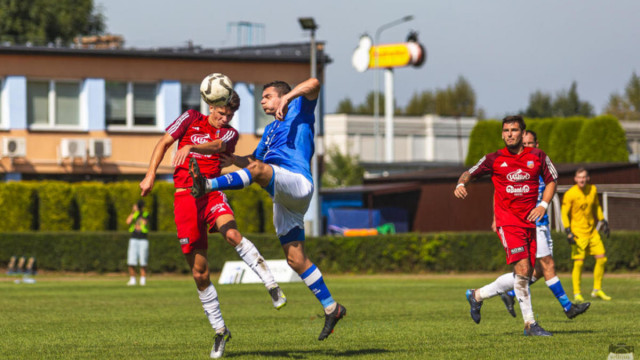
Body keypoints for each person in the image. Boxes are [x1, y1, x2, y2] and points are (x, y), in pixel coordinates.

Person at [190, 78, 347, 341]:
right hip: (282, 196)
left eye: (267, 96)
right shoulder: (270, 130)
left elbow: (315, 83)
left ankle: (206, 185)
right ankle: (333, 308)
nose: (262, 101)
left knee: (259, 171)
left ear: (282, 97)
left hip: (297, 182)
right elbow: (253, 161)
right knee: (296, 260)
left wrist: (289, 98)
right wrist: (234, 160)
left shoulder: (299, 110)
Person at [139, 89, 286, 359]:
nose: (225, 118)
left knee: (231, 233)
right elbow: (163, 143)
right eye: (221, 113)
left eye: (230, 115)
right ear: (210, 106)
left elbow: (219, 147)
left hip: (211, 193)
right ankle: (220, 331)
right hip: (185, 199)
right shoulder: (189, 118)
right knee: (200, 273)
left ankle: (272, 284)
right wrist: (149, 176)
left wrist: (190, 147)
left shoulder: (230, 134)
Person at [454, 115, 557, 336]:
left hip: (529, 222)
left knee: (526, 273)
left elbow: (551, 180)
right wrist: (461, 183)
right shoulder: (494, 159)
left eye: (514, 130)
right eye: (506, 130)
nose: (509, 134)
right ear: (502, 134)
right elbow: (469, 173)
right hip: (507, 222)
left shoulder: (537, 156)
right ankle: (530, 325)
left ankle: (477, 295)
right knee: (522, 269)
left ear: (523, 133)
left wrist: (543, 204)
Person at [477, 130, 590, 319]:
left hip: (543, 224)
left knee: (536, 270)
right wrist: (497, 218)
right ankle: (567, 307)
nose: (528, 147)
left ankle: (504, 294)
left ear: (537, 144)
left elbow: (552, 182)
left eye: (531, 144)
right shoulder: (517, 166)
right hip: (530, 223)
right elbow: (500, 192)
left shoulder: (539, 163)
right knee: (547, 265)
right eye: (525, 143)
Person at [561, 168, 612, 302]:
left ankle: (597, 290)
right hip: (578, 233)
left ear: (588, 178)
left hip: (592, 232)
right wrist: (568, 231)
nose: (582, 180)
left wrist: (602, 220)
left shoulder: (593, 190)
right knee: (579, 263)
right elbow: (564, 213)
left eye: (584, 177)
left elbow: (596, 206)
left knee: (602, 258)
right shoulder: (570, 194)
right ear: (575, 179)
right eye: (579, 177)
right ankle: (577, 293)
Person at [126, 200, 150, 286]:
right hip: (134, 239)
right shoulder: (134, 214)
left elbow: (144, 222)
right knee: (131, 260)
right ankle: (132, 279)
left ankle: (143, 280)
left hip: (143, 239)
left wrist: (140, 213)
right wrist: (133, 212)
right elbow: (128, 221)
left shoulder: (145, 214)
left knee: (143, 260)